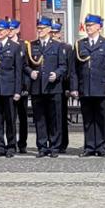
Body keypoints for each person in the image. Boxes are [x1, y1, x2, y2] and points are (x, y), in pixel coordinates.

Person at [73, 15, 105, 157]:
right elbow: (74, 69)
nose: (88, 28)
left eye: (92, 25)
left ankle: (102, 146)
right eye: (87, 25)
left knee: (102, 118)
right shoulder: (80, 44)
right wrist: (74, 88)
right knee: (88, 119)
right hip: (85, 87)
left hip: (102, 87)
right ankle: (89, 146)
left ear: (99, 27)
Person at [27, 18, 71, 158]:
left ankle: (54, 146)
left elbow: (63, 66)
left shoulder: (58, 46)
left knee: (55, 118)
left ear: (49, 30)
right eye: (38, 28)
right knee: (40, 118)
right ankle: (42, 146)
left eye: (42, 28)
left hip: (53, 87)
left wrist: (56, 74)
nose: (40, 31)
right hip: (37, 87)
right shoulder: (32, 45)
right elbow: (25, 65)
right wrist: (30, 72)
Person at [0, 19, 26, 157]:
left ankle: (11, 146)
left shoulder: (15, 47)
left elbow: (18, 71)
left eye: (1, 31)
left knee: (10, 119)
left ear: (8, 32)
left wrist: (17, 91)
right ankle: (0, 146)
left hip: (9, 88)